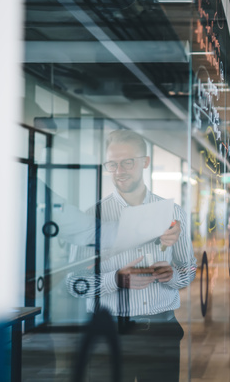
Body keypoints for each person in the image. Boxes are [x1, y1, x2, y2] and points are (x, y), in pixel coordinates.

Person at [66, 129, 196, 382]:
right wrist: (114, 280)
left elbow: (190, 270)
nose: (119, 171)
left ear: (145, 162)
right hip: (109, 333)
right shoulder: (92, 215)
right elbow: (74, 284)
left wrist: (171, 276)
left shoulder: (174, 213)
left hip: (161, 331)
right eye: (112, 164)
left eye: (127, 162)